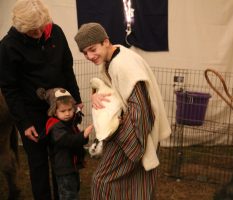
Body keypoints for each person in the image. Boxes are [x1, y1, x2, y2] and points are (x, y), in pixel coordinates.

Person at [74, 22, 172, 200]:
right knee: (137, 185)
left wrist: (124, 141)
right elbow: (116, 89)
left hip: (136, 135)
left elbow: (141, 109)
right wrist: (96, 93)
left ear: (105, 41)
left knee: (102, 181)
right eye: (84, 52)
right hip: (134, 132)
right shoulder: (114, 56)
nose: (89, 56)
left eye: (92, 49)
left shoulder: (122, 65)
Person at [0, 0, 83, 199]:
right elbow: (9, 89)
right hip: (31, 113)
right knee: (38, 165)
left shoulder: (56, 32)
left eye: (40, 28)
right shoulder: (8, 46)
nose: (38, 33)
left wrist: (77, 100)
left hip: (60, 109)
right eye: (32, 31)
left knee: (62, 160)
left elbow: (66, 69)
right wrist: (24, 123)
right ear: (21, 28)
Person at [36, 87, 93, 200]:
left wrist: (84, 137)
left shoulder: (69, 123)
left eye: (69, 110)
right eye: (63, 111)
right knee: (68, 195)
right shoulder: (56, 126)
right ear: (54, 111)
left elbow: (77, 139)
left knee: (74, 190)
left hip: (72, 167)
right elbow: (67, 140)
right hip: (64, 169)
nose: (67, 113)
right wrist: (83, 135)